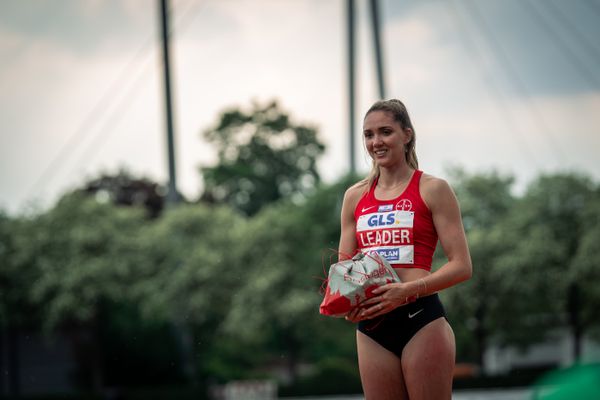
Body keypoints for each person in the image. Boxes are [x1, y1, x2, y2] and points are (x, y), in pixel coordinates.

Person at [338, 99, 472, 399]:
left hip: (421, 320)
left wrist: (407, 290)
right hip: (372, 327)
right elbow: (344, 271)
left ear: (406, 135)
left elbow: (462, 266)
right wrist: (345, 302)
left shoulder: (433, 189)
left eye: (385, 132)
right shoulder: (354, 196)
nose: (376, 142)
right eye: (368, 135)